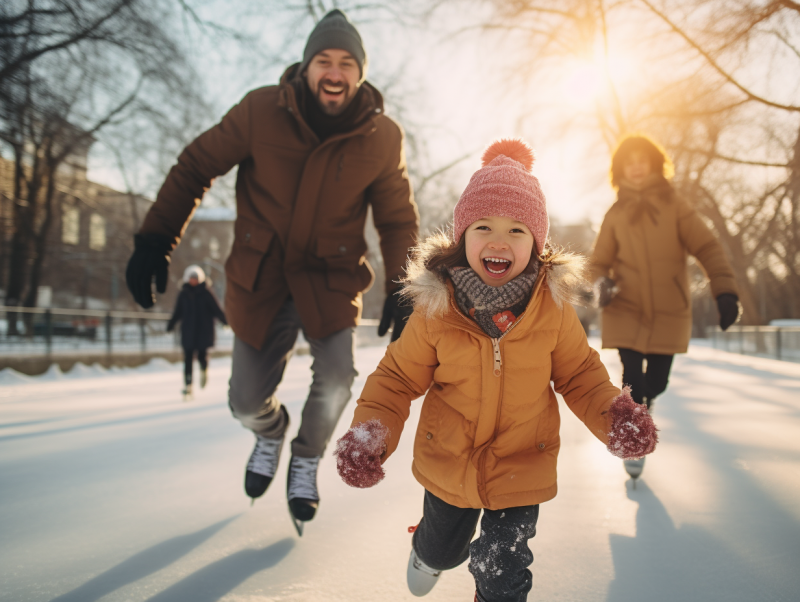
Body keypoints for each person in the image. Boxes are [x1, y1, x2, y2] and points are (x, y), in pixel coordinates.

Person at [125, 9, 419, 533]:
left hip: (329, 282)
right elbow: (196, 165)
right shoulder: (261, 110)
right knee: (244, 402)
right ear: (307, 67)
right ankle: (270, 432)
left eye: (346, 63)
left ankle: (305, 457)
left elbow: (397, 218)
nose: (334, 71)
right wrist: (154, 239)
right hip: (261, 281)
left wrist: (405, 283)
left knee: (336, 378)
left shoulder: (381, 136)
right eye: (323, 60)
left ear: (360, 73)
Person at [334, 139, 658, 602]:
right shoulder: (436, 309)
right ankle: (429, 550)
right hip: (449, 461)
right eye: (483, 226)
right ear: (462, 236)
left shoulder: (553, 309)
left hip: (522, 462)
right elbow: (397, 380)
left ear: (538, 244)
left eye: (517, 230)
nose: (499, 241)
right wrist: (371, 434)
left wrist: (616, 415)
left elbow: (581, 375)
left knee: (503, 568)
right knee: (446, 549)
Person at [590, 134, 740, 412]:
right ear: (620, 169)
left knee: (657, 383)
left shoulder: (676, 206)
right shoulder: (615, 214)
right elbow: (598, 262)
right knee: (631, 381)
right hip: (625, 307)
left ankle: (646, 404)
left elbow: (707, 247)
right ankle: (633, 441)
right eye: (629, 162)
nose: (636, 167)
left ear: (654, 164)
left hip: (669, 309)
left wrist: (725, 292)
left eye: (642, 160)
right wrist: (601, 283)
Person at [166, 265, 227, 398]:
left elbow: (216, 309)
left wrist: (226, 321)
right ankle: (188, 385)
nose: (193, 281)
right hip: (188, 331)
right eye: (191, 278)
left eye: (196, 278)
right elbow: (178, 312)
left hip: (203, 331)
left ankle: (203, 370)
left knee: (201, 356)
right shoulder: (183, 294)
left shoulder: (206, 293)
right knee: (187, 358)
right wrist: (170, 325)